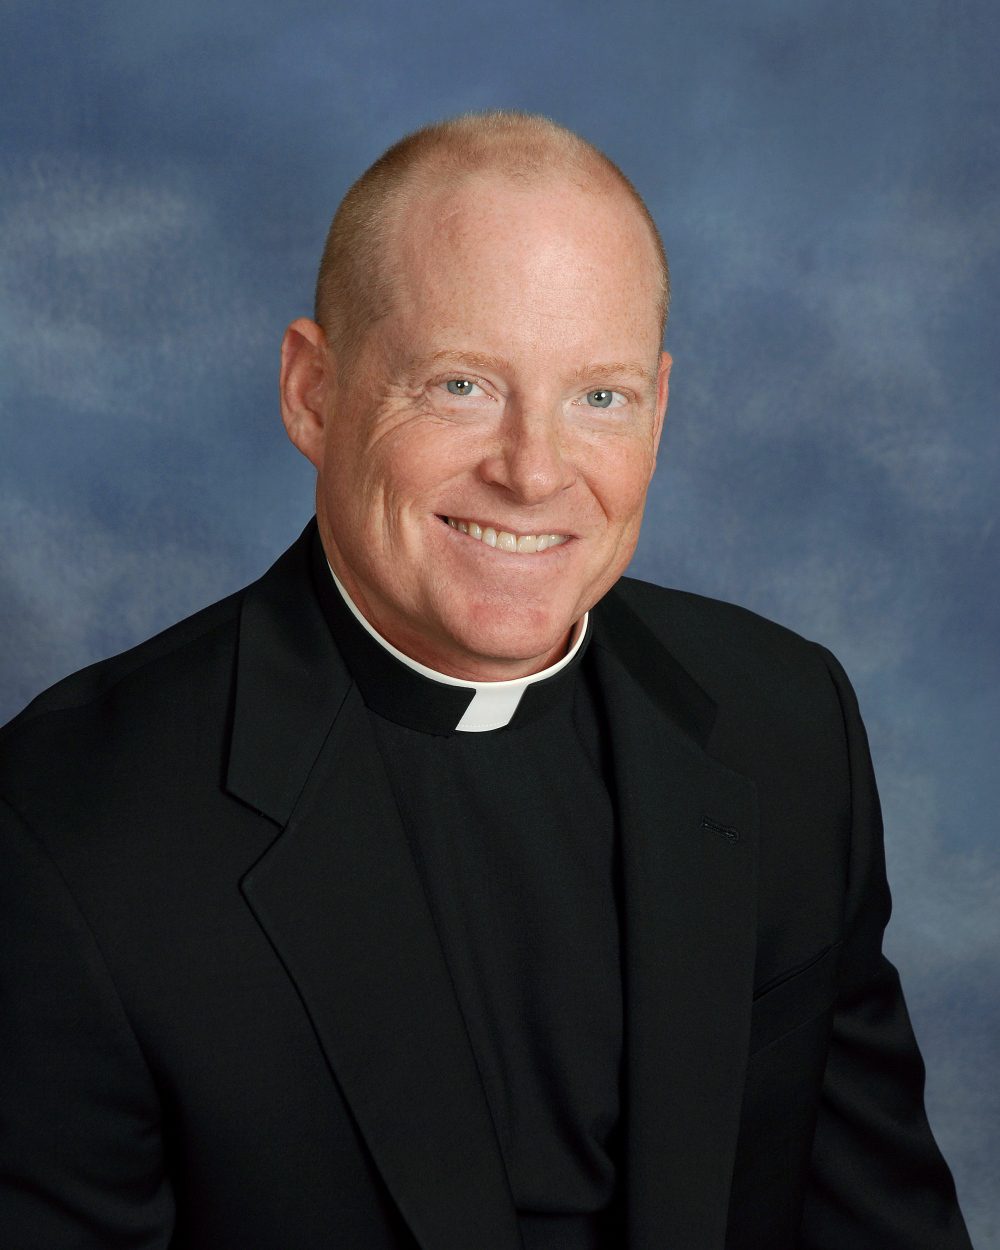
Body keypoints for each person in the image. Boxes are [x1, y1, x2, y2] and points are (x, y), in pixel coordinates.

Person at [0, 111, 971, 1250]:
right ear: (313, 393)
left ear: (658, 412)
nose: (533, 469)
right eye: (460, 384)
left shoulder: (785, 721)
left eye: (596, 396)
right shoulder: (66, 834)